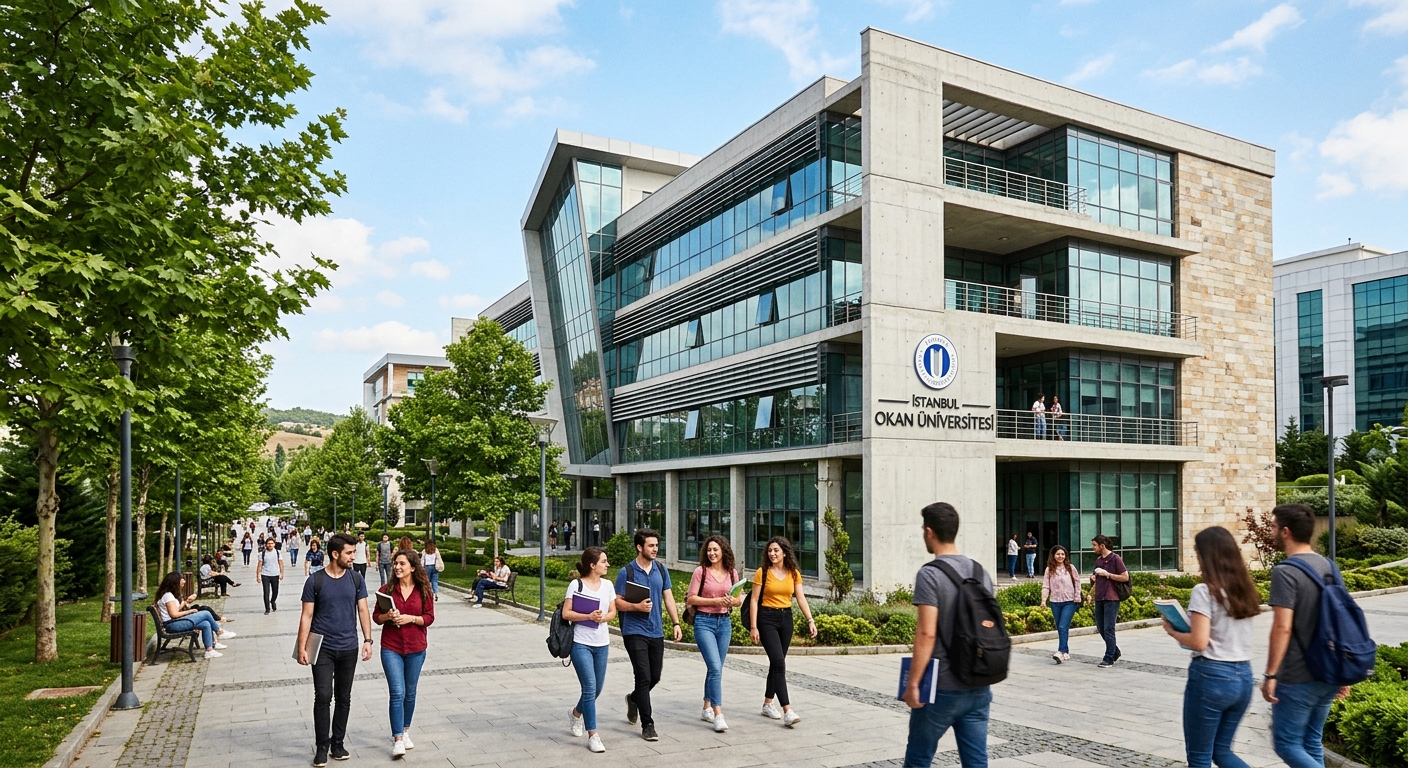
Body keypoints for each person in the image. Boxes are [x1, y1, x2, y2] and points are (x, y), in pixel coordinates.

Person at [903, 501, 993, 768]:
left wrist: (913, 683)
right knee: (976, 762)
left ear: (929, 532)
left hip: (942, 686)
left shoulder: (930, 574)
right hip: (979, 683)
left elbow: (927, 633)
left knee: (918, 759)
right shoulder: (980, 572)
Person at [1162, 526, 1260, 768]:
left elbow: (1199, 641)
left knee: (1199, 757)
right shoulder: (1245, 591)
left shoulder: (1204, 591)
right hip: (1244, 676)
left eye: (1197, 551)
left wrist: (1173, 631)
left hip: (1211, 677)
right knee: (1222, 751)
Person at [1261, 503, 1350, 768]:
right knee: (1312, 742)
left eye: (1274, 527)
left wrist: (1270, 675)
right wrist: (1343, 671)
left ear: (1286, 532)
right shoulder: (1329, 567)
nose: (1272, 531)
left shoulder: (1286, 571)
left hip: (1299, 676)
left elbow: (1282, 627)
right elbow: (1342, 620)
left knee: (1286, 744)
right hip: (1329, 671)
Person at [297, 533, 373, 767]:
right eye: (349, 553)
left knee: (344, 698)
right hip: (322, 647)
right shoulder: (315, 580)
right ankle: (322, 746)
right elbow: (306, 615)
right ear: (335, 554)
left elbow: (363, 610)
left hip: (348, 647)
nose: (353, 557)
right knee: (322, 697)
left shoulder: (356, 579)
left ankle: (337, 744)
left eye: (354, 552)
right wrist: (302, 647)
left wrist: (368, 640)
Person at [614, 528, 682, 742]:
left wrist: (676, 622)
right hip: (634, 631)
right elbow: (617, 602)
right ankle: (648, 724)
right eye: (651, 545)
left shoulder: (661, 570)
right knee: (643, 676)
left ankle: (634, 698)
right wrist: (635, 606)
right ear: (639, 547)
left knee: (655, 676)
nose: (655, 549)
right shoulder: (627, 572)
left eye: (656, 545)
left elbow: (668, 597)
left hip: (656, 631)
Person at [373, 549, 436, 759]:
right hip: (391, 647)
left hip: (417, 648)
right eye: (395, 564)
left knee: (410, 692)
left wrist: (411, 618)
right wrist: (387, 615)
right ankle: (398, 738)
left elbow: (429, 618)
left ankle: (406, 730)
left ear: (412, 567)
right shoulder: (386, 590)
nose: (397, 567)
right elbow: (376, 618)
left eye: (401, 564)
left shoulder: (424, 590)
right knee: (397, 693)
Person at [747, 536, 815, 728]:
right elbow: (753, 600)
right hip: (766, 619)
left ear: (785, 552)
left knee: (777, 664)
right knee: (778, 662)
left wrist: (810, 620)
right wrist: (754, 626)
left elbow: (800, 598)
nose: (772, 554)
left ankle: (768, 703)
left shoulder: (793, 573)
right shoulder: (763, 572)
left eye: (776, 550)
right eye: (770, 550)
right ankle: (787, 710)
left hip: (786, 619)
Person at [564, 547, 617, 753]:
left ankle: (576, 713)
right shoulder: (576, 584)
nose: (607, 564)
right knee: (589, 687)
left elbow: (613, 611)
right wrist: (587, 617)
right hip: (581, 643)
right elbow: (567, 613)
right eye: (604, 561)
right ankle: (593, 735)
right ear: (592, 565)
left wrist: (603, 618)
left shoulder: (608, 585)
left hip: (602, 643)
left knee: (597, 689)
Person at [689, 535, 741, 732]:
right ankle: (718, 714)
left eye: (715, 550)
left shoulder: (732, 573)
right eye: (709, 550)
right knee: (715, 668)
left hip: (724, 623)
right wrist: (716, 601)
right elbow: (692, 598)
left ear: (723, 551)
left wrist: (732, 601)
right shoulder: (700, 572)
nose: (712, 553)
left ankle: (706, 707)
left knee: (715, 668)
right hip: (704, 622)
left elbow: (739, 599)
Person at [153, 572, 235, 659]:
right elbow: (174, 614)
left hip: (174, 623)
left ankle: (209, 650)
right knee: (206, 613)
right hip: (173, 625)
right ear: (175, 582)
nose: (184, 581)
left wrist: (187, 601)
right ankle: (219, 632)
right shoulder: (168, 596)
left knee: (205, 623)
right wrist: (190, 611)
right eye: (182, 579)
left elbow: (175, 610)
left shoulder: (168, 595)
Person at [1087, 534, 1129, 668]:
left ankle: (1109, 657)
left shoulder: (1115, 559)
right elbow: (1096, 577)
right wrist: (1093, 581)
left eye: (1094, 545)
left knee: (1109, 628)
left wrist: (1108, 574)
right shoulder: (1099, 560)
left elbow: (1125, 577)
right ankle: (1115, 651)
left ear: (1102, 546)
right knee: (1101, 627)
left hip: (1111, 598)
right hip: (1099, 597)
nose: (1093, 548)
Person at [1039, 545, 1081, 663]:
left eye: (1062, 554)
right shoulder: (1049, 570)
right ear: (1053, 556)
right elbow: (1046, 586)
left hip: (1070, 601)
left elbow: (1077, 583)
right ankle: (1065, 651)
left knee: (1063, 626)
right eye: (1058, 554)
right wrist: (1043, 600)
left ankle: (1060, 651)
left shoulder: (1071, 568)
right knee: (1061, 628)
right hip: (1055, 602)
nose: (1060, 556)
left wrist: (1077, 596)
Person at [257, 536, 284, 615]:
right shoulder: (262, 554)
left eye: (272, 543)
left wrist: (282, 573)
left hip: (275, 574)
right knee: (266, 592)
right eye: (268, 543)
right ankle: (267, 608)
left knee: (275, 591)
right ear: (266, 545)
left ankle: (272, 601)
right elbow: (259, 565)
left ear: (274, 544)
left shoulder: (278, 553)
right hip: (265, 574)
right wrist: (258, 575)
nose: (270, 545)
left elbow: (281, 563)